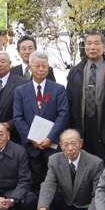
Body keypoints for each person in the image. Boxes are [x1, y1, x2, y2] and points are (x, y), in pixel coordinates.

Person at [12, 51, 69, 187]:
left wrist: (50, 138)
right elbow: (18, 117)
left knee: (55, 180)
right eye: (37, 66)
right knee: (35, 180)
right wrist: (32, 138)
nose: (41, 69)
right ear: (30, 67)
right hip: (31, 145)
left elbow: (63, 114)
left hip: (52, 144)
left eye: (44, 66)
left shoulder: (58, 89)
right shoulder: (20, 90)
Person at [36, 129, 103, 210]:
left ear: (81, 143)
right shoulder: (54, 160)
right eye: (66, 145)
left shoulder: (95, 163)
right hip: (67, 204)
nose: (70, 148)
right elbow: (49, 184)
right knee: (47, 192)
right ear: (61, 146)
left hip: (86, 208)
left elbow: (99, 193)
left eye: (74, 143)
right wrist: (42, 209)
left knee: (99, 201)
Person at [65, 31, 105, 158]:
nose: (92, 47)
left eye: (96, 43)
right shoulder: (75, 71)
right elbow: (69, 100)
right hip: (82, 126)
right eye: (89, 43)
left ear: (104, 47)